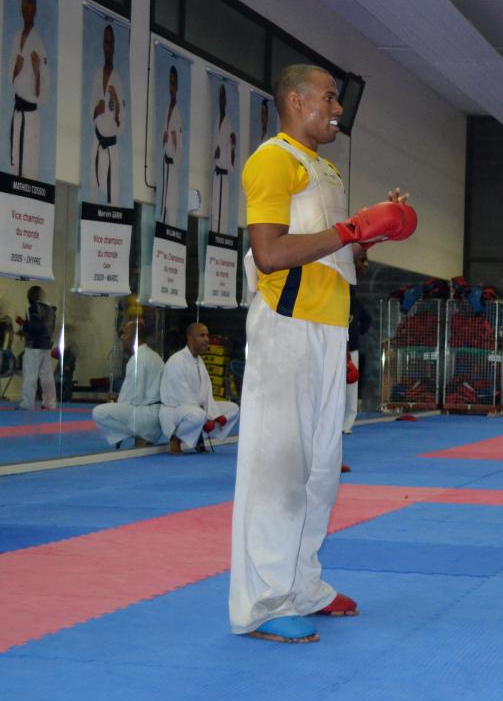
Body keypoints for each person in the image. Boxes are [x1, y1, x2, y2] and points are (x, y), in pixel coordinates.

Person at [229, 63, 416, 643]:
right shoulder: (271, 159)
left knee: (318, 471)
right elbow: (269, 253)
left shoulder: (326, 169)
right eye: (330, 98)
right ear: (296, 100)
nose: (338, 109)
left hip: (330, 327)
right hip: (286, 327)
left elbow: (342, 256)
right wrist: (352, 229)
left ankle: (303, 583)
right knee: (276, 468)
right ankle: (262, 602)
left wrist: (374, 232)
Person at [160, 322, 239, 453]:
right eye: (202, 335)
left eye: (207, 335)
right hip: (175, 410)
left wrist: (215, 414)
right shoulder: (176, 361)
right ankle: (176, 438)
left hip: (197, 409)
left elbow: (207, 393)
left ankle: (198, 434)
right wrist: (207, 417)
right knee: (199, 415)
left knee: (233, 409)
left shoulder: (199, 361)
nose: (207, 339)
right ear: (190, 338)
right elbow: (183, 396)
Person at [92, 321, 163, 447]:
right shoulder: (154, 356)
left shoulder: (137, 359)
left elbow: (134, 397)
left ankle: (141, 436)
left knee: (99, 412)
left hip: (145, 418)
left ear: (133, 337)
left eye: (124, 334)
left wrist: (117, 401)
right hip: (158, 417)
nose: (121, 338)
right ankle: (143, 436)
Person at [9, 0, 45, 179]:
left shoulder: (39, 44)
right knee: (14, 171)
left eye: (30, 0)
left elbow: (44, 94)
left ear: (36, 8)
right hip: (17, 112)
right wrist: (16, 68)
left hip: (31, 118)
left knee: (29, 174)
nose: (26, 4)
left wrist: (37, 72)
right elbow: (8, 76)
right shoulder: (15, 37)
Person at [90, 22, 126, 205]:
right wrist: (98, 109)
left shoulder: (118, 81)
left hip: (112, 148)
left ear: (114, 47)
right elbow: (91, 111)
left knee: (114, 201)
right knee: (93, 195)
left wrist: (117, 104)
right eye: (106, 41)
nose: (108, 46)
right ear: (103, 45)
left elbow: (122, 125)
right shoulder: (97, 75)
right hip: (96, 143)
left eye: (111, 42)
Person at [343, 251, 372, 435]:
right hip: (337, 347)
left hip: (350, 348)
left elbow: (367, 321)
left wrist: (355, 334)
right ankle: (338, 422)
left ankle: (347, 423)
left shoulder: (355, 302)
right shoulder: (338, 298)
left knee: (350, 389)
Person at [16, 285, 56, 410]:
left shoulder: (33, 308)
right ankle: (49, 403)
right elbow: (47, 328)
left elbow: (35, 326)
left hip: (33, 346)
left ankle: (27, 403)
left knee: (30, 375)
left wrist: (23, 325)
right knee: (47, 376)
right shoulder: (51, 309)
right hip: (46, 345)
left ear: (32, 296)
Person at [159, 66, 184, 226]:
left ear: (177, 87)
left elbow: (179, 154)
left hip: (173, 169)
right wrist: (165, 140)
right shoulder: (165, 110)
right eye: (170, 83)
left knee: (171, 210)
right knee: (162, 209)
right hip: (164, 165)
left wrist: (174, 142)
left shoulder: (178, 114)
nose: (171, 87)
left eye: (174, 84)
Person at [211, 84, 237, 232]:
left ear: (226, 101)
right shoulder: (216, 122)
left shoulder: (229, 128)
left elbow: (232, 164)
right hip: (216, 175)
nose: (221, 101)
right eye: (219, 97)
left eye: (223, 97)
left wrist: (232, 150)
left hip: (224, 176)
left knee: (223, 215)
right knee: (215, 213)